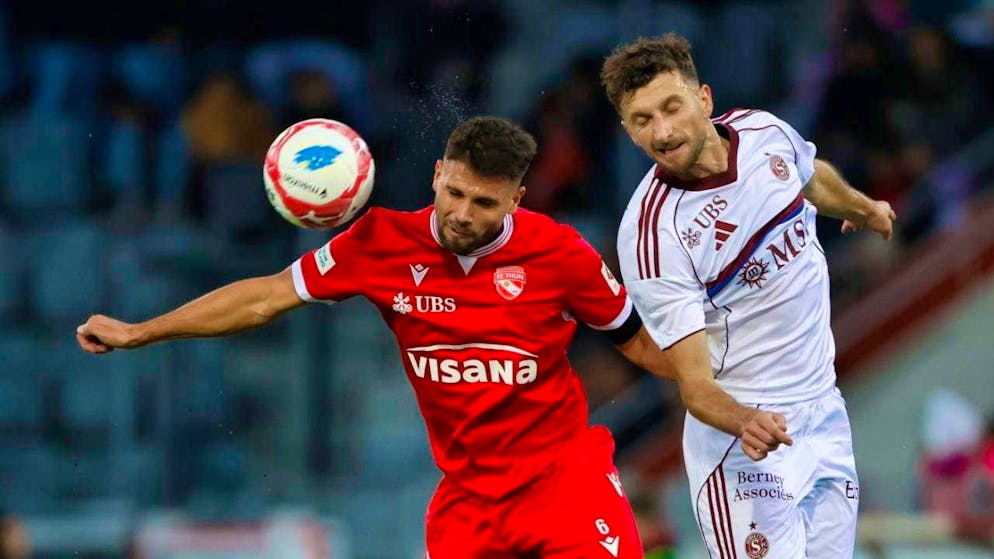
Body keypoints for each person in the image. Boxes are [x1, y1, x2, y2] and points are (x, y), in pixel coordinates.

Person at [78, 116, 660, 558]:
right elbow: (264, 298)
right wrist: (142, 331)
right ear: (437, 174)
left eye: (483, 202)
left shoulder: (559, 253)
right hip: (467, 500)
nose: (461, 212)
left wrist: (720, 387)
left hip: (562, 482)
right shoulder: (379, 242)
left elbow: (636, 341)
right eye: (454, 192)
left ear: (515, 199)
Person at [600, 34, 896, 558]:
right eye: (642, 120)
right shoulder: (652, 237)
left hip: (824, 411)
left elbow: (811, 179)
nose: (663, 132)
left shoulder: (762, 131)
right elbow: (693, 386)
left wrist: (861, 207)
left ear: (705, 99)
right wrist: (746, 422)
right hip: (744, 443)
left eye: (672, 107)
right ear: (628, 131)